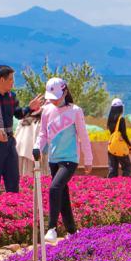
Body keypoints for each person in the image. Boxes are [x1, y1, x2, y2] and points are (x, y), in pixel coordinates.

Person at [34, 78, 92, 243]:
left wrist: (88, 159)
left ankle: (51, 228)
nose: (54, 99)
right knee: (63, 196)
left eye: (56, 96)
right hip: (53, 159)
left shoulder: (75, 111)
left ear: (65, 92)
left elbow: (83, 136)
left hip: (70, 159)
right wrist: (37, 147)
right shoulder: (46, 110)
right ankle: (73, 232)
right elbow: (43, 134)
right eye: (51, 96)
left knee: (54, 188)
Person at [0, 65, 44, 196]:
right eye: (11, 79)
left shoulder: (11, 96)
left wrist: (30, 108)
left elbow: (19, 114)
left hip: (9, 144)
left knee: (13, 181)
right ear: (2, 80)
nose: (13, 82)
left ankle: (13, 209)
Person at [106, 98, 131, 177]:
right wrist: (129, 146)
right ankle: (124, 184)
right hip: (120, 147)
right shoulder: (121, 119)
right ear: (121, 108)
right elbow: (124, 135)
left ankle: (111, 186)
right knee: (127, 167)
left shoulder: (110, 119)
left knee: (113, 169)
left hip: (111, 146)